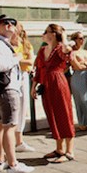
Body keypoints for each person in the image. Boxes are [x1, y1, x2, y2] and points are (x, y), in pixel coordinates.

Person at [0, 15, 34, 173]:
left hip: (0, 89)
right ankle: (13, 164)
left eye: (12, 23)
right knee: (9, 126)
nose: (9, 25)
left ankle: (2, 160)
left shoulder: (2, 43)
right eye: (5, 23)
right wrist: (16, 58)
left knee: (1, 125)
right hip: (7, 89)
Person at [31, 24, 75, 163]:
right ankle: (59, 148)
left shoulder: (61, 48)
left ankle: (69, 151)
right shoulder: (43, 50)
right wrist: (34, 86)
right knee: (52, 115)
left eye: (47, 32)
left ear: (55, 34)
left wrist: (64, 38)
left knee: (64, 114)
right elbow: (38, 69)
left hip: (59, 82)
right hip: (46, 84)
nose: (44, 34)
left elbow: (68, 55)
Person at [9, 23, 35, 152]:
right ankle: (10, 140)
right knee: (12, 109)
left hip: (23, 76)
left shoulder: (26, 45)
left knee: (23, 107)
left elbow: (30, 62)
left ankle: (19, 140)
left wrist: (15, 59)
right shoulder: (5, 43)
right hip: (10, 78)